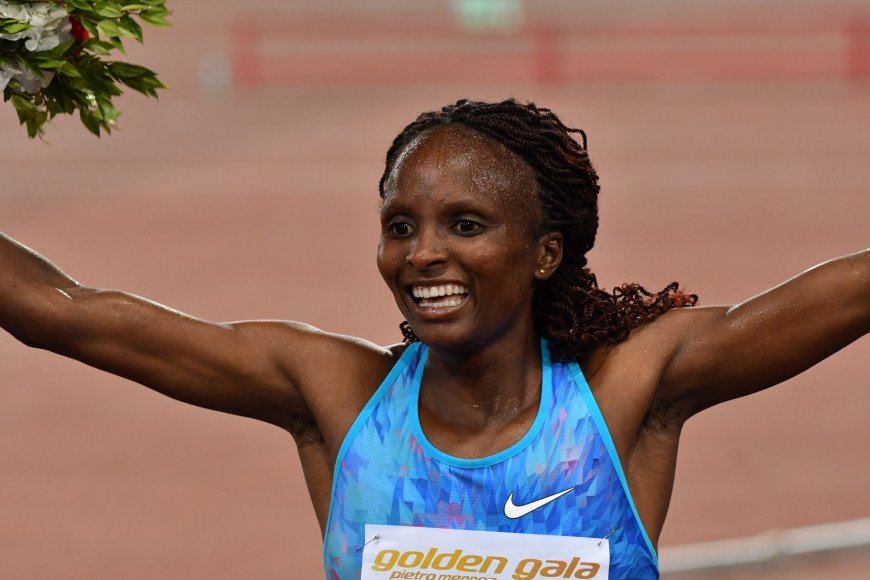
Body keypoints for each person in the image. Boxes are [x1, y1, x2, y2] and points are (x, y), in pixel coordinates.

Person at [0, 99, 867, 579]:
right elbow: (59, 310)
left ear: (543, 253)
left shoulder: (623, 394)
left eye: (465, 223)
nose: (423, 255)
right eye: (399, 226)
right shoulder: (336, 395)